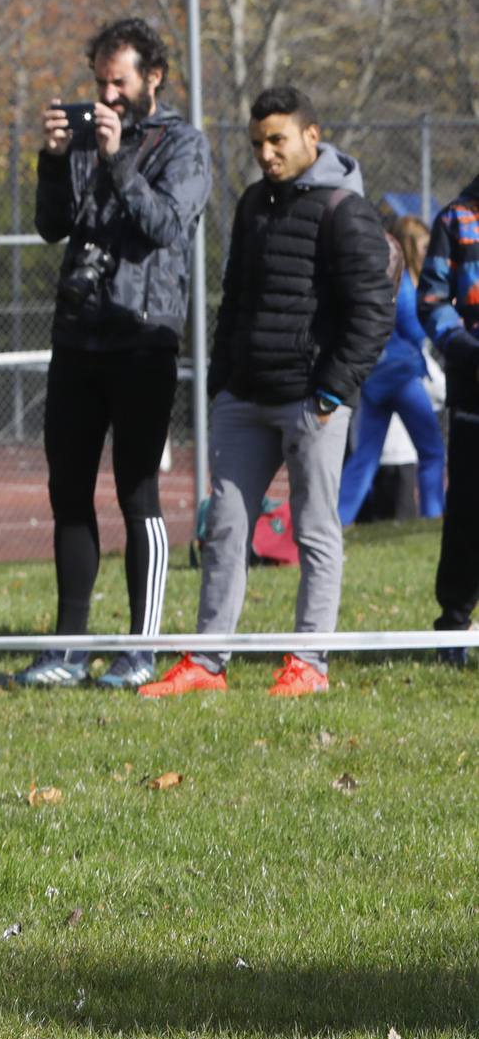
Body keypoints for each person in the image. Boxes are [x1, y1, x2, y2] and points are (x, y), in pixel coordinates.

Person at [141, 87, 393, 698]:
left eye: (277, 140)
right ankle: (206, 662)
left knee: (314, 531)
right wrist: (222, 380)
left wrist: (332, 392)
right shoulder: (253, 203)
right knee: (224, 528)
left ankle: (309, 662)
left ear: (312, 135)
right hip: (244, 399)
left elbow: (372, 311)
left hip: (312, 403)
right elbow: (236, 299)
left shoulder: (345, 209)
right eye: (257, 143)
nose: (267, 154)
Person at [0, 18, 212, 690]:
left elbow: (163, 225)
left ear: (153, 77)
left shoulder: (186, 146)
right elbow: (51, 226)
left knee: (137, 492)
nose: (106, 97)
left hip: (143, 337)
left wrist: (119, 159)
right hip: (79, 335)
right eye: (98, 83)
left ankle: (140, 648)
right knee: (68, 493)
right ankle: (67, 648)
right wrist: (56, 158)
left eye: (118, 82)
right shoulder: (90, 136)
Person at [338, 215, 443, 525]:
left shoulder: (384, 282)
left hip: (376, 382)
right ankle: (433, 516)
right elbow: (417, 330)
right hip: (402, 379)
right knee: (433, 451)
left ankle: (338, 520)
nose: (429, 252)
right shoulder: (407, 288)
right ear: (410, 246)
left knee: (365, 458)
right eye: (425, 246)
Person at [422, 169, 479, 663]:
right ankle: (454, 627)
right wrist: (465, 350)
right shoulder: (456, 219)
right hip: (473, 398)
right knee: (467, 515)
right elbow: (433, 302)